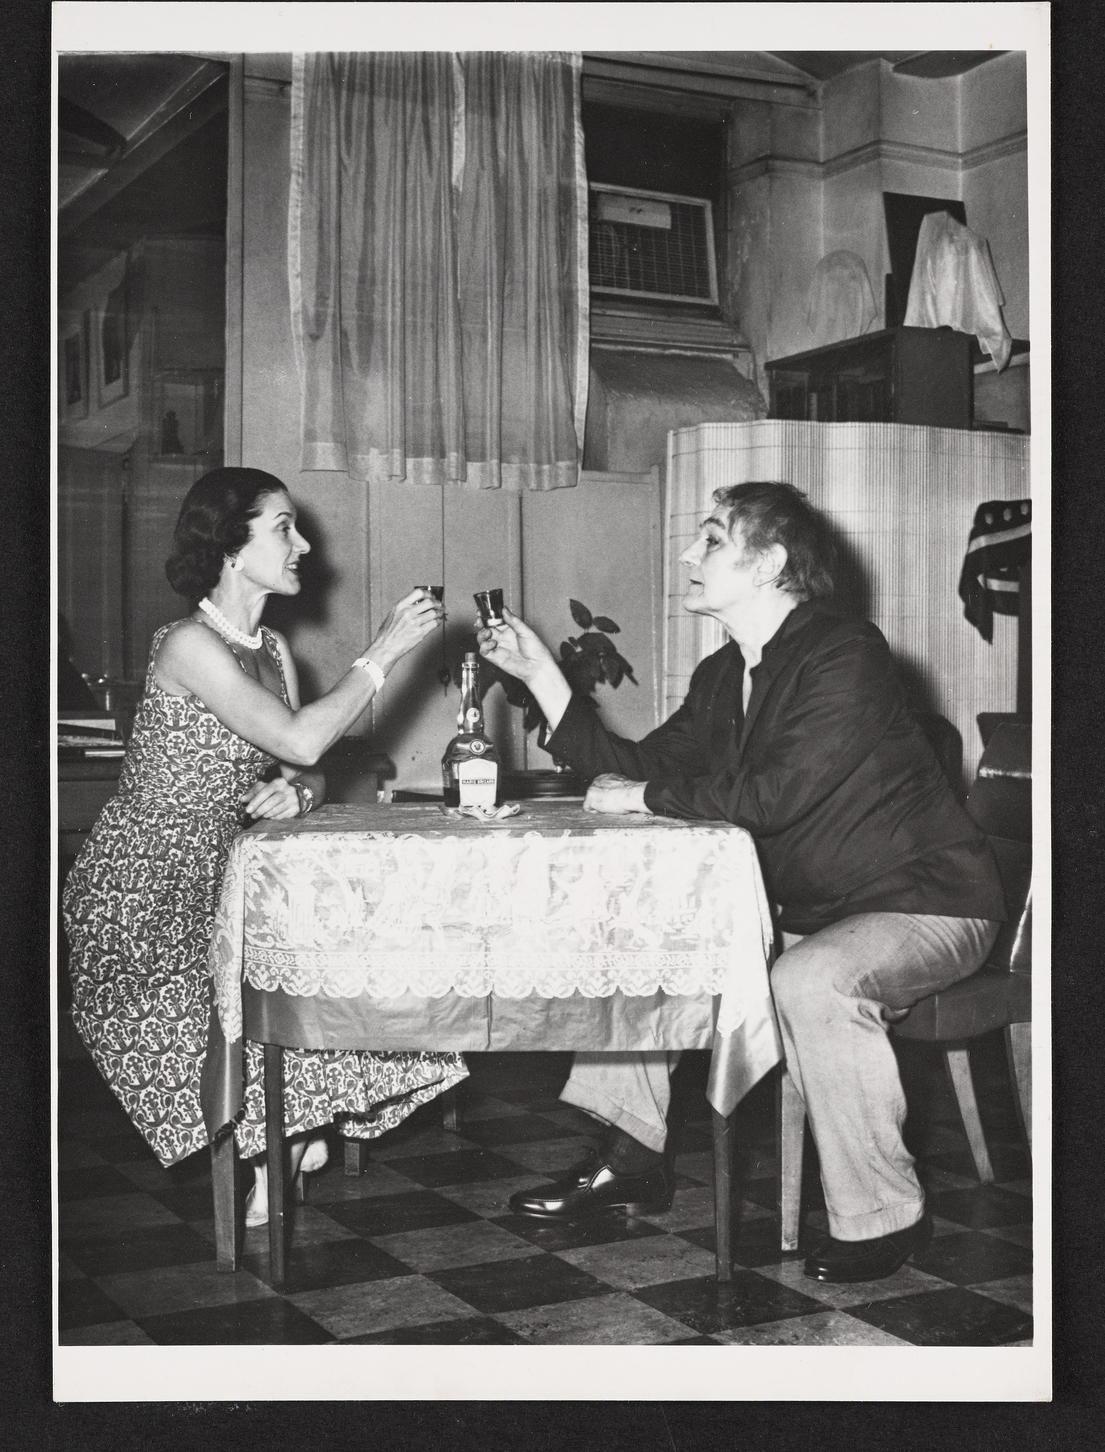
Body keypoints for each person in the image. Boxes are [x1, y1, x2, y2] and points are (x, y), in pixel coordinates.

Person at [476, 481, 1007, 1284]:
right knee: (653, 942)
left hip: (923, 901)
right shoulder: (726, 673)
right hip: (816, 909)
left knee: (812, 981)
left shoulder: (843, 651)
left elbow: (772, 795)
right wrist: (545, 678)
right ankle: (630, 1154)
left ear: (769, 564)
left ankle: (881, 1214)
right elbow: (644, 768)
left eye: (712, 539)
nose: (690, 555)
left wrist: (646, 796)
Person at [64, 467, 466, 1226]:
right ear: (228, 544)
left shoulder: (274, 649)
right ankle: (277, 1135)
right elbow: (297, 733)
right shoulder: (185, 644)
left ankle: (286, 1132)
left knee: (325, 979)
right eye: (283, 526)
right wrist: (383, 651)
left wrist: (301, 792)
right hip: (135, 895)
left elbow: (300, 765)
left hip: (222, 882)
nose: (304, 543)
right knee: (215, 1016)